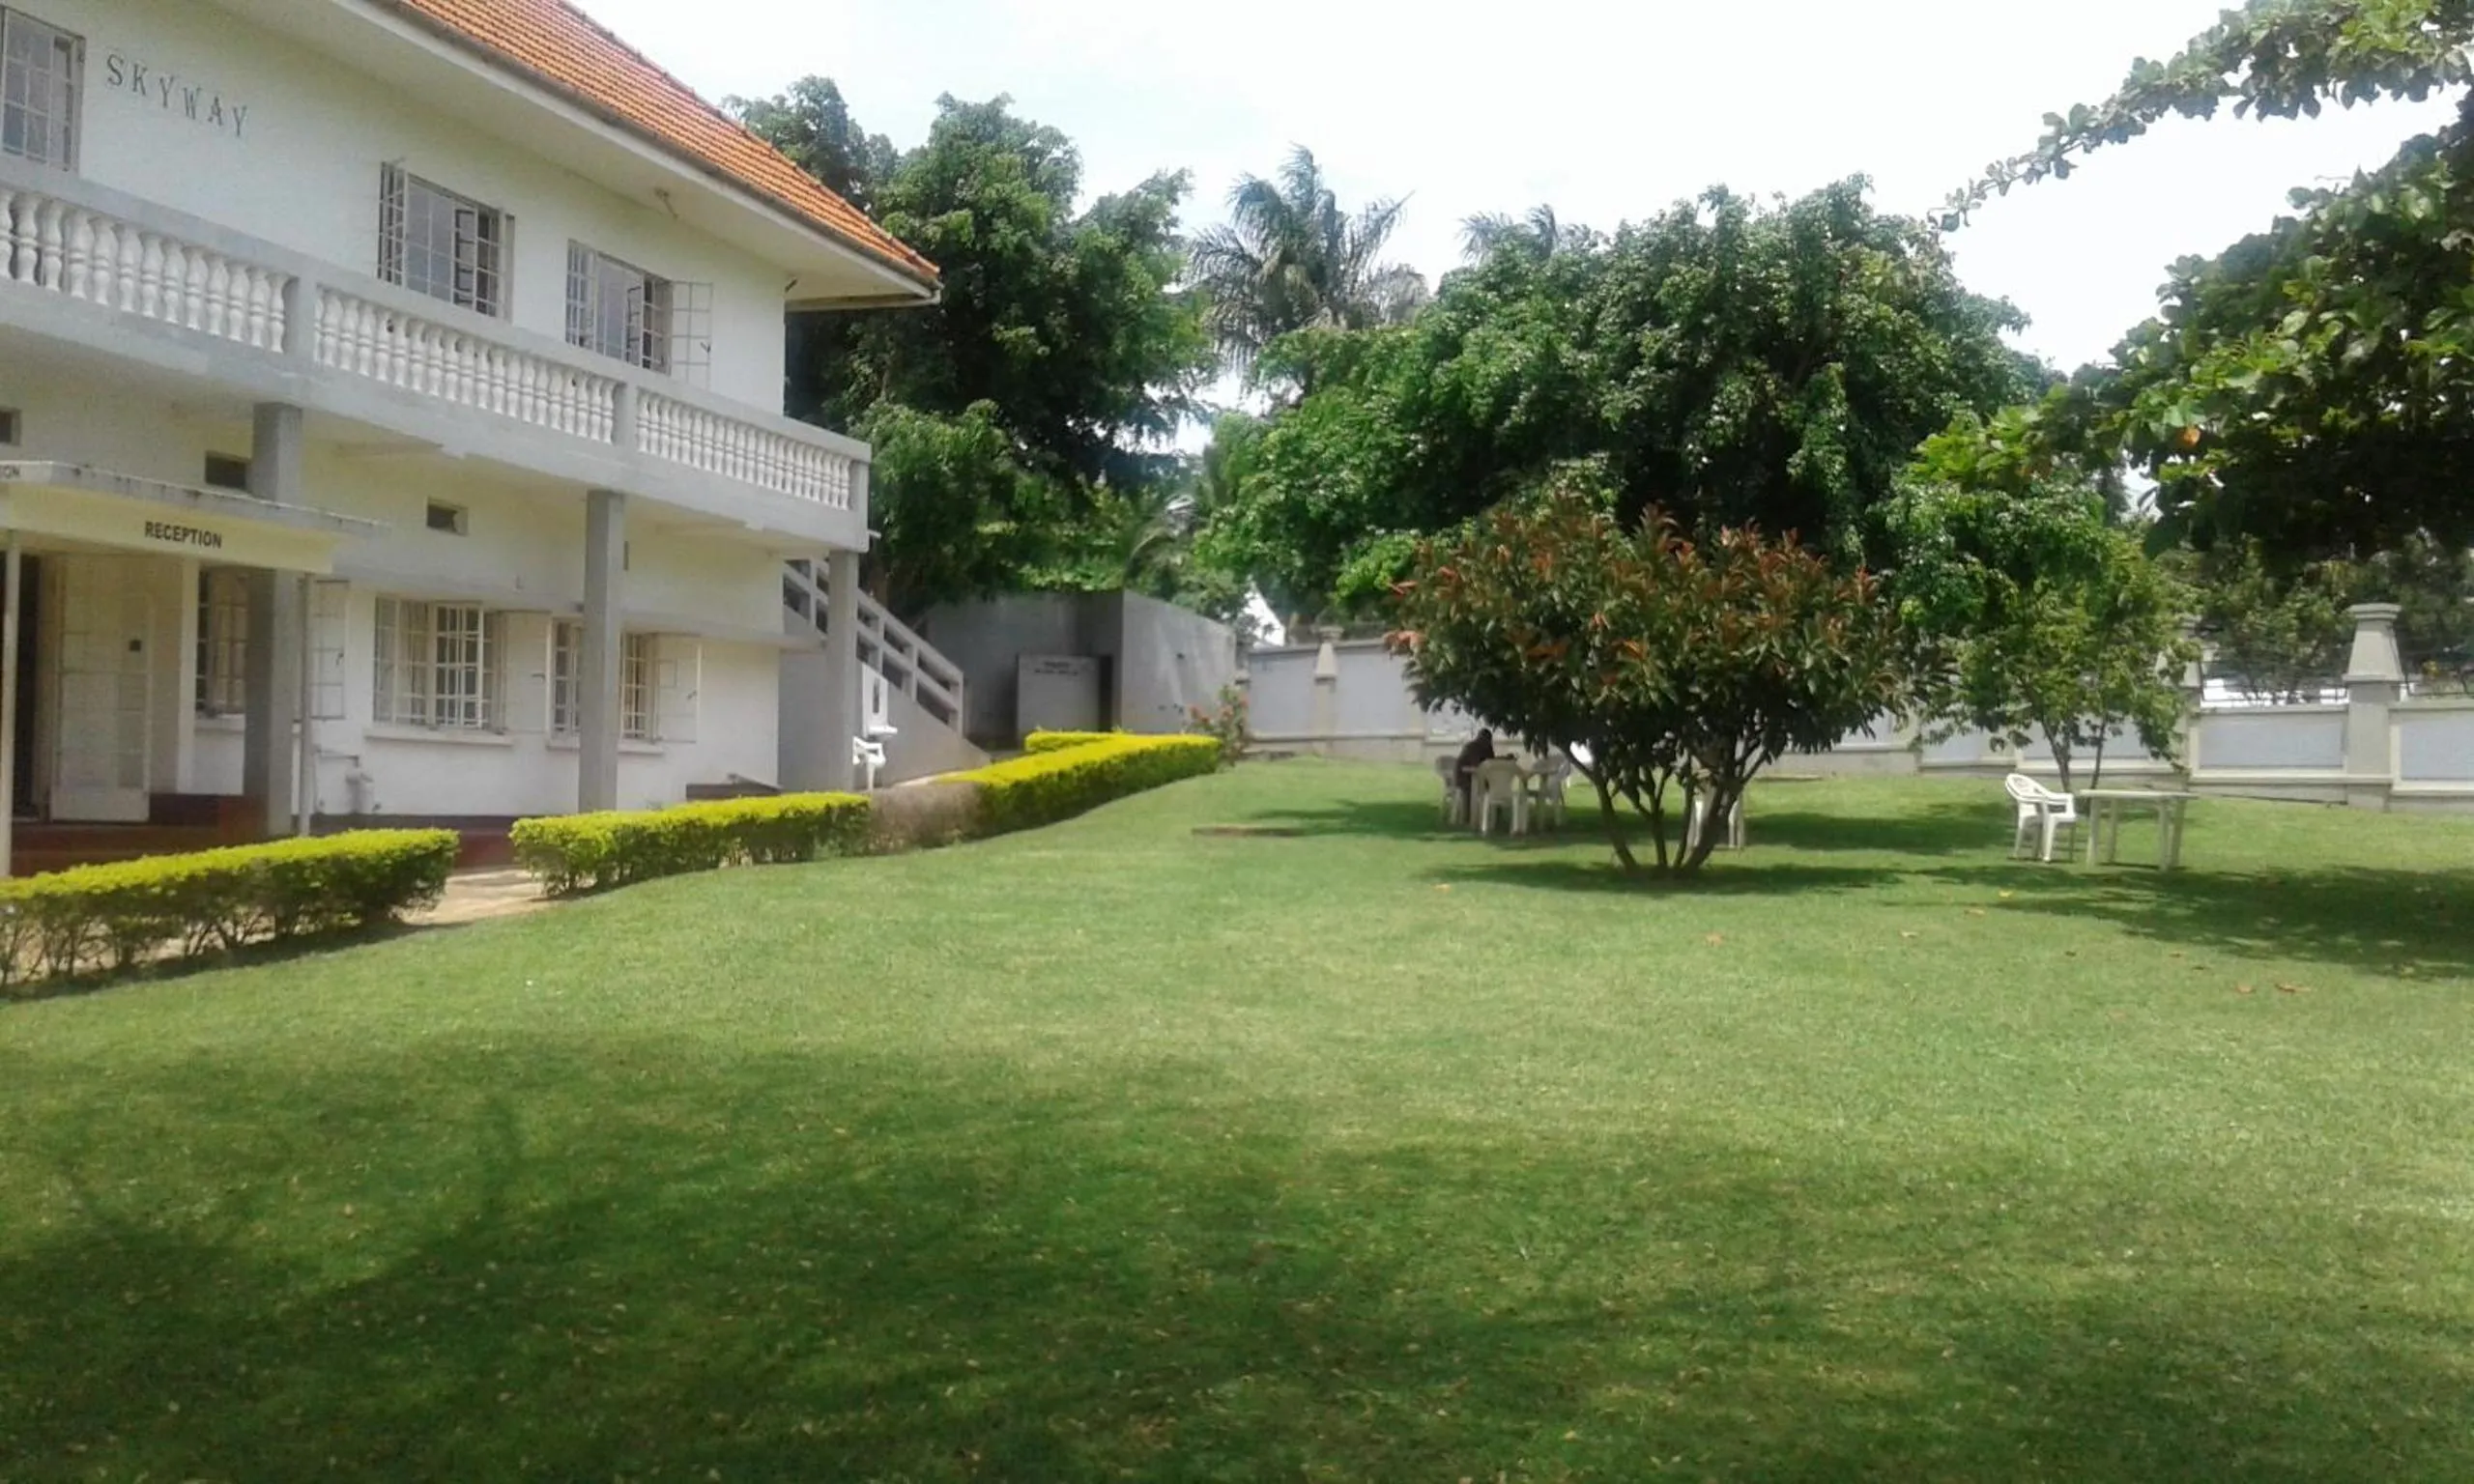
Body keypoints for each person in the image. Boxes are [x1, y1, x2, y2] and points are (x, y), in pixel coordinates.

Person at [1453, 728, 1496, 818]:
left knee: (1495, 788)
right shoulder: (1472, 747)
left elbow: (1491, 762)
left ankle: (1492, 816)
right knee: (1471, 790)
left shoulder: (1488, 748)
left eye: (1488, 740)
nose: (1487, 743)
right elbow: (1476, 764)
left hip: (1480, 777)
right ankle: (1468, 816)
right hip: (1464, 777)